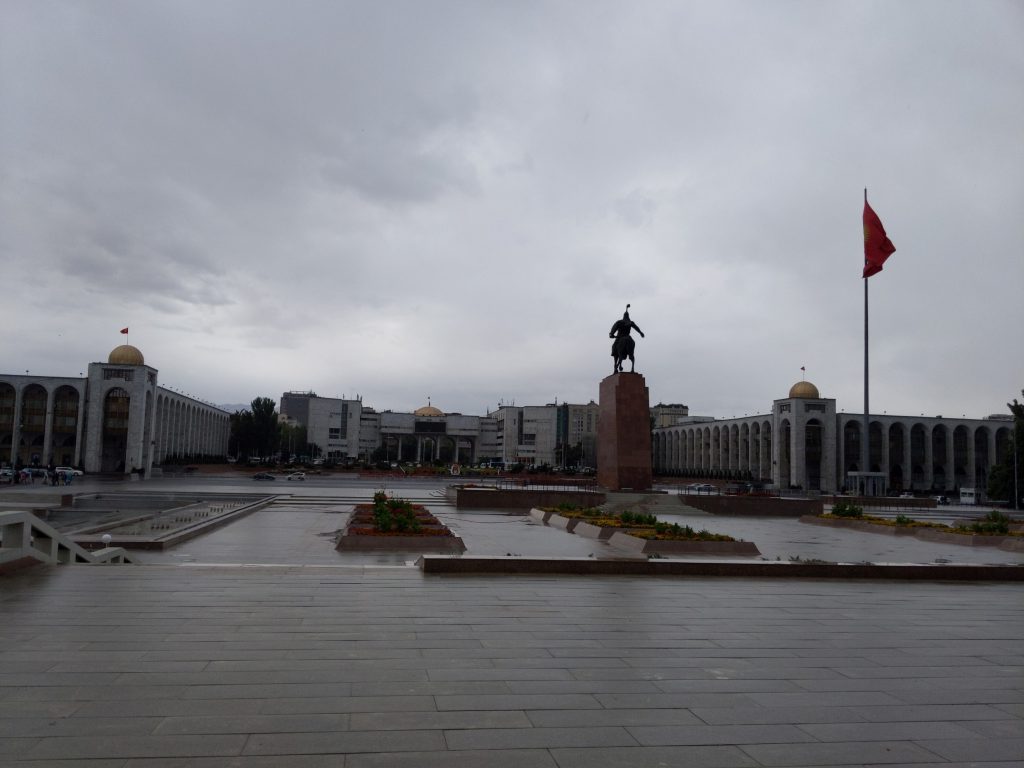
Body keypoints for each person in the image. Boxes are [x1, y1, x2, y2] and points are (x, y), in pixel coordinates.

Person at [609, 304, 645, 373]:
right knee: (631, 354)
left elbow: (613, 330)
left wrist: (611, 334)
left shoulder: (619, 322)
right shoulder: (630, 322)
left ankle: (615, 368)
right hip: (628, 338)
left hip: (619, 338)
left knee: (614, 349)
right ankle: (632, 368)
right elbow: (636, 328)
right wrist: (641, 333)